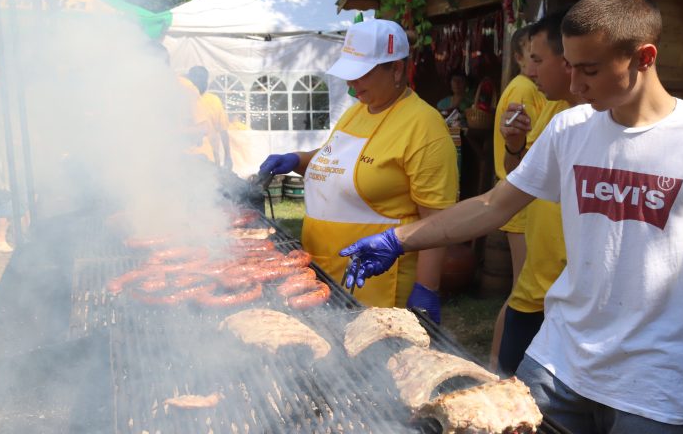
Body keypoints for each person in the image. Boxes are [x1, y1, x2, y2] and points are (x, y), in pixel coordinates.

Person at [339, 0, 683, 432]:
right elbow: (494, 205)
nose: (574, 84)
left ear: (644, 58)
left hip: (651, 383)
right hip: (558, 362)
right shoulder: (569, 128)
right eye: (569, 66)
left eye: (589, 70)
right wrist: (398, 240)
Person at [258, 19, 459, 321]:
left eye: (362, 74)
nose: (352, 85)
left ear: (397, 69)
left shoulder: (424, 126)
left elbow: (438, 221)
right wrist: (297, 160)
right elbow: (336, 164)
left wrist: (426, 287)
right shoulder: (356, 112)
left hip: (377, 286)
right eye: (349, 74)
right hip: (323, 274)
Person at [496, 9, 581, 376]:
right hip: (534, 287)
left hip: (566, 294)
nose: (530, 72)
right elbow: (521, 175)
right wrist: (514, 144)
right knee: (505, 383)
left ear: (568, 60)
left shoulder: (590, 119)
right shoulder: (554, 110)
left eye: (537, 60)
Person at [488, 23, 546, 370]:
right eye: (532, 57)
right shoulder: (524, 89)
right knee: (522, 292)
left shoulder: (526, 88)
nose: (536, 67)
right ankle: (496, 363)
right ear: (520, 57)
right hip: (521, 200)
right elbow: (528, 153)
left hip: (523, 196)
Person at [185, 66, 233, 171]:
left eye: (202, 79)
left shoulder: (214, 100)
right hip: (187, 159)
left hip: (210, 160)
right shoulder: (182, 99)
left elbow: (223, 131)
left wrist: (228, 156)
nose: (199, 82)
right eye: (196, 78)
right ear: (190, 80)